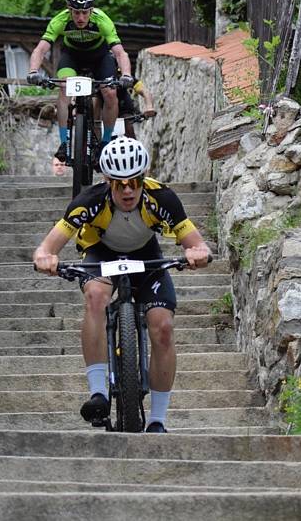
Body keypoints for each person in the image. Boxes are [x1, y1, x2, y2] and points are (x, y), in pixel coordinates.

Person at [33, 137, 211, 433]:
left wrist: (197, 253)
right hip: (101, 252)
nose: (128, 190)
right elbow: (47, 247)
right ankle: (99, 392)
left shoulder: (162, 198)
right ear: (107, 181)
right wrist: (45, 258)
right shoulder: (89, 201)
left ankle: (157, 420)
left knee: (163, 326)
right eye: (119, 184)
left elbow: (196, 243)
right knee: (95, 296)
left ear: (143, 179)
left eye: (134, 182)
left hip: (146, 255)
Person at [26, 0, 134, 164]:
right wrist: (33, 71)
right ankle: (64, 142)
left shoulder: (102, 20)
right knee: (64, 87)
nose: (81, 18)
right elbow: (40, 49)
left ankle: (105, 142)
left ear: (92, 10)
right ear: (69, 9)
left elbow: (120, 53)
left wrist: (127, 75)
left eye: (85, 12)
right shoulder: (60, 20)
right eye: (76, 12)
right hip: (72, 57)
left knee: (110, 92)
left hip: (100, 58)